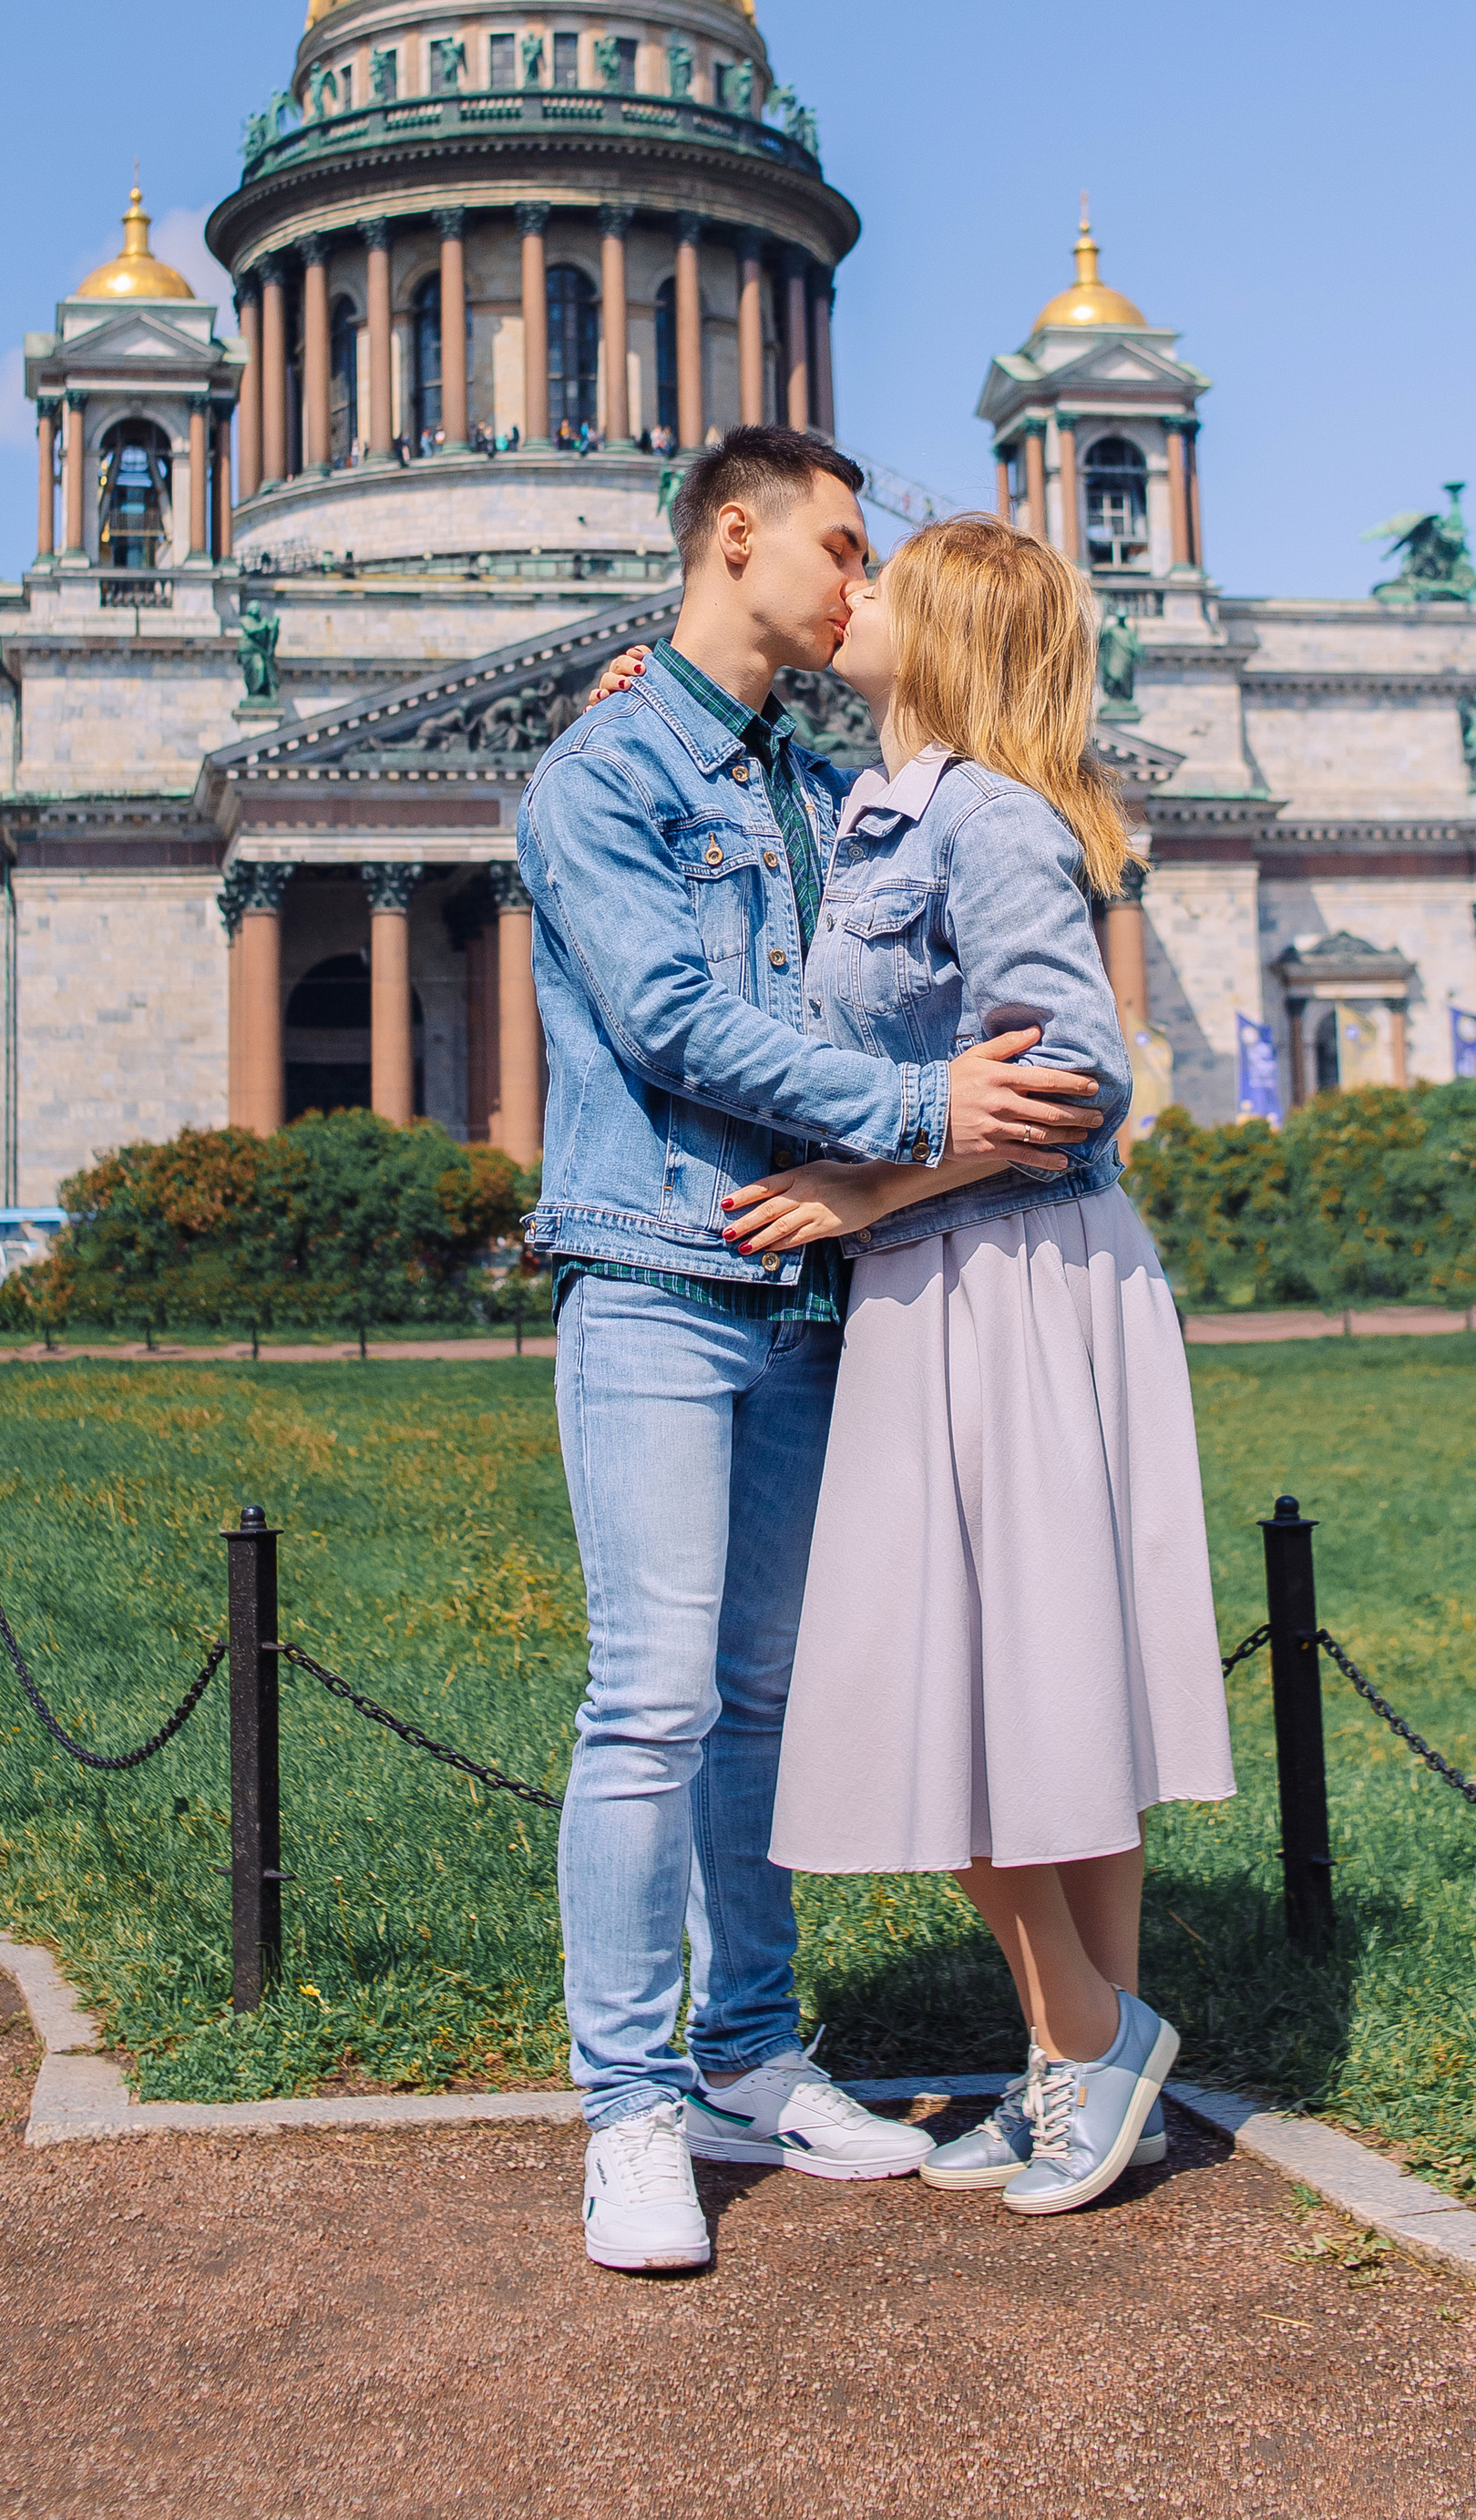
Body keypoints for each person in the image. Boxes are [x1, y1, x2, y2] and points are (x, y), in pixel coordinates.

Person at [517, 433, 1107, 2275]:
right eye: (839, 551)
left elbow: (990, 757)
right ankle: (625, 2107)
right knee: (649, 1701)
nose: (864, 588)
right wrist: (923, 1116)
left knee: (755, 1706)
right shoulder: (600, 766)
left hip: (799, 1292)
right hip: (655, 1271)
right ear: (734, 534)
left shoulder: (806, 771)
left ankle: (746, 2056)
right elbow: (676, 1017)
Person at [723, 515, 1236, 2218]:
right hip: (965, 1274)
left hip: (993, 1279)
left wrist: (862, 1185)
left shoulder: (989, 819)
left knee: (951, 1683)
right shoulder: (902, 807)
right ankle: (1081, 2063)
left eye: (879, 582)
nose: (843, 594)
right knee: (1036, 1681)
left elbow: (1078, 1077)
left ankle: (1087, 2042)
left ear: (937, 636)